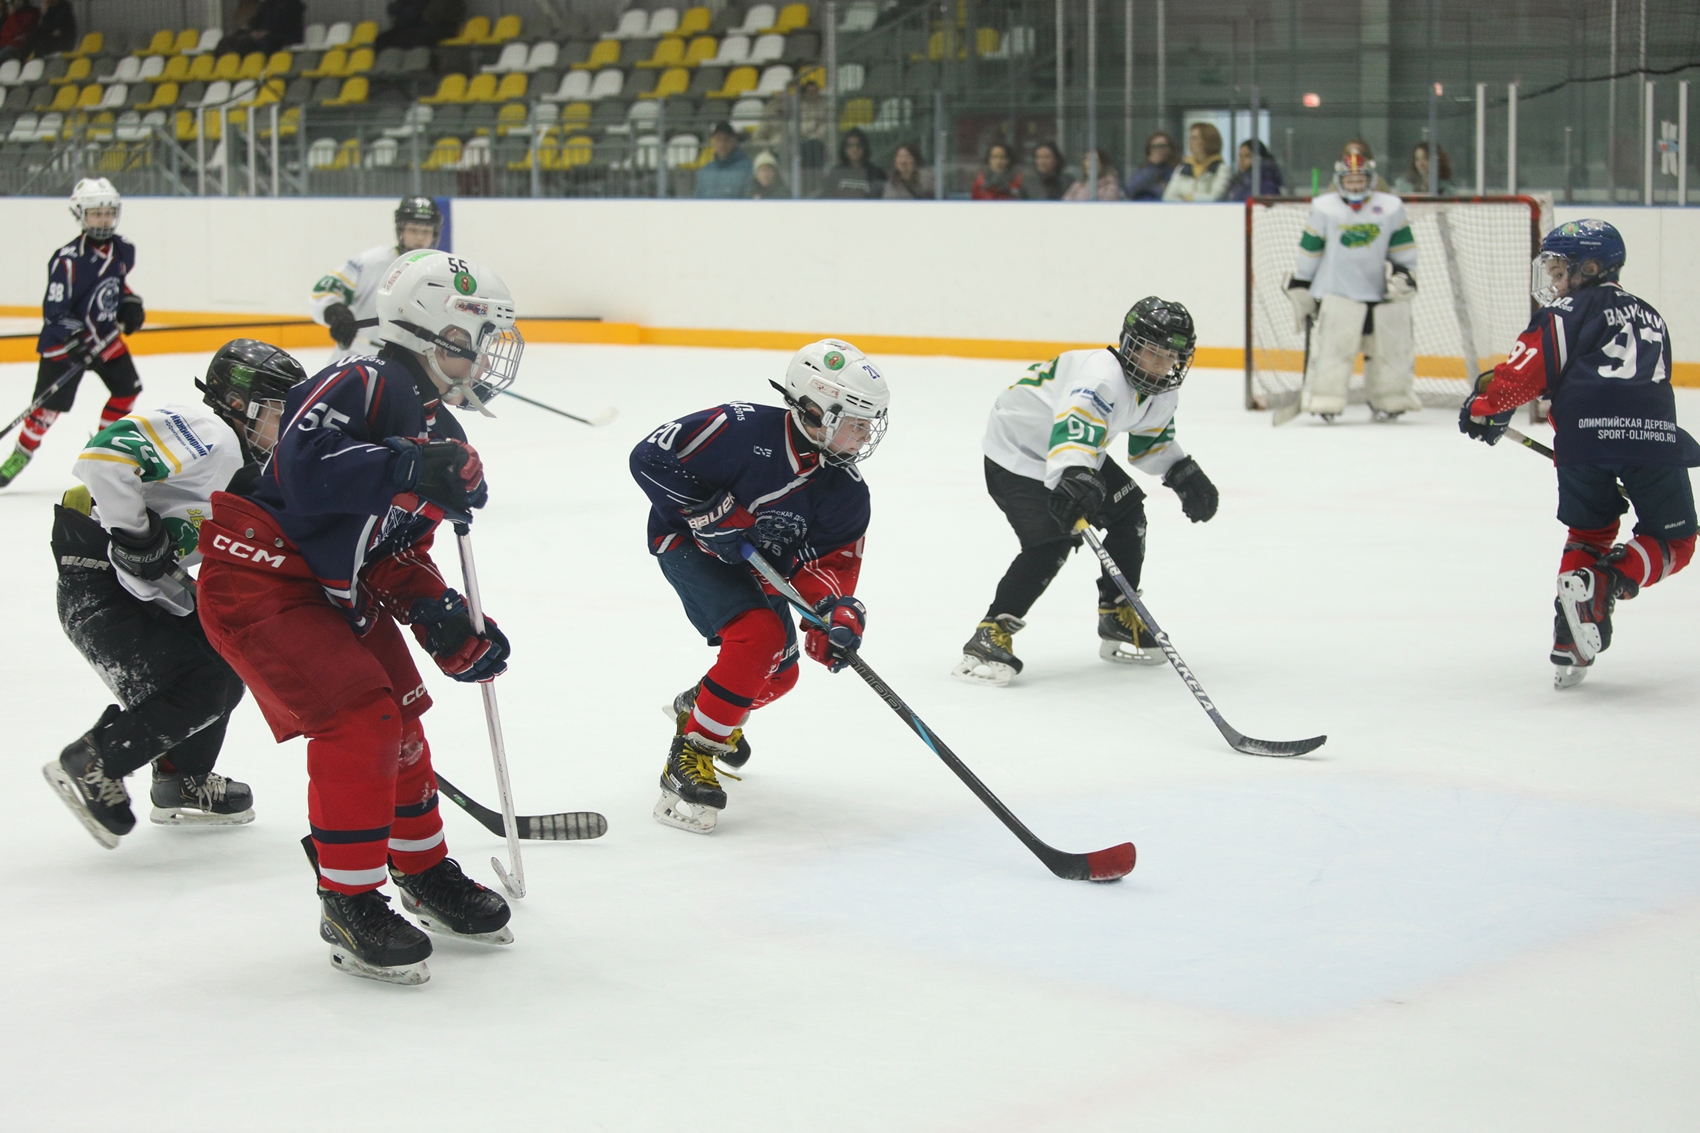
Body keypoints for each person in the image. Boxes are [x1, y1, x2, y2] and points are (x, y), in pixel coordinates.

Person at [195, 250, 522, 985]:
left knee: (402, 714)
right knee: (361, 715)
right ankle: (348, 897)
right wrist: (407, 465)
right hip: (259, 576)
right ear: (439, 330)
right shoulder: (364, 378)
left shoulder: (445, 432)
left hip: (332, 584)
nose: (492, 353)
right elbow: (305, 475)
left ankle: (424, 869)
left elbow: (391, 548)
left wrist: (442, 614)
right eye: (481, 333)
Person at [40, 341, 309, 849]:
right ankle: (97, 760)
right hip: (97, 578)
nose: (287, 423)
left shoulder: (248, 470)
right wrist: (135, 536)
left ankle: (180, 778)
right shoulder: (208, 432)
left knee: (225, 662)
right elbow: (104, 456)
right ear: (238, 405)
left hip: (141, 587)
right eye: (279, 409)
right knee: (203, 683)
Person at [631, 339, 890, 834]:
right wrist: (703, 511)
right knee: (759, 638)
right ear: (814, 410)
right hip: (690, 546)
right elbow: (650, 458)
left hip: (760, 564)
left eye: (868, 421)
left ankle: (701, 706)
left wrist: (834, 611)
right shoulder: (738, 427)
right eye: (855, 420)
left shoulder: (847, 492)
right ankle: (690, 755)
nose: (864, 433)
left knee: (780, 676)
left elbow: (825, 564)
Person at [1460, 219, 1698, 689]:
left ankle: (1571, 633)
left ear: (1590, 267)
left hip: (1583, 443)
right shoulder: (1651, 315)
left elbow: (1526, 373)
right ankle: (1608, 584)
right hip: (1652, 438)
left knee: (1588, 533)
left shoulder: (1564, 313)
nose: (1554, 282)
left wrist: (1485, 408)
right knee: (1676, 542)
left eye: (1559, 271)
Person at [953, 298, 1218, 685]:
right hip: (1017, 451)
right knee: (1054, 539)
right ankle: (990, 633)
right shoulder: (1101, 376)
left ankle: (1117, 615)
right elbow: (1076, 426)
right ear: (1130, 346)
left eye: (1170, 357)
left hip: (1072, 448)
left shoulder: (1161, 392)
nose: (1161, 365)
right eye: (1153, 353)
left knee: (1129, 513)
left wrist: (1181, 471)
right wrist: (1076, 475)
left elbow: (1149, 448)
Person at [0, 179, 144, 490]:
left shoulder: (123, 249)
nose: (103, 220)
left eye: (108, 213)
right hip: (64, 346)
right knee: (47, 409)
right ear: (81, 215)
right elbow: (54, 312)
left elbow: (116, 284)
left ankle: (102, 450)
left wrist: (129, 302)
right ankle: (21, 454)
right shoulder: (67, 260)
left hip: (105, 339)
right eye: (95, 214)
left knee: (127, 391)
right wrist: (75, 340)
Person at [1283, 149, 1421, 421]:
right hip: (1336, 292)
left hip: (1380, 293)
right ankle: (1325, 400)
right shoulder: (1324, 207)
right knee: (1335, 350)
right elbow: (1310, 249)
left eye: (1360, 180)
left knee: (1389, 350)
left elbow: (1403, 247)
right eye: (1350, 180)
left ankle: (1391, 398)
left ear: (1370, 180)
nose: (1355, 185)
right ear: (1340, 180)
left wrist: (1404, 273)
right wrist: (1302, 283)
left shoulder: (1390, 207)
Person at [310, 195, 441, 357]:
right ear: (401, 230)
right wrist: (335, 312)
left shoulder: (440, 273)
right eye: (413, 229)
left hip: (406, 367)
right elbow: (325, 291)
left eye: (426, 231)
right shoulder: (372, 262)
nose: (420, 237)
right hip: (353, 360)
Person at [1162, 123, 1230, 202]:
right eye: (1190, 138)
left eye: (1195, 138)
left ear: (1208, 141)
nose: (1190, 142)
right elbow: (1168, 197)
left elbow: (1215, 198)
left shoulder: (1221, 169)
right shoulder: (1183, 167)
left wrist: (1190, 198)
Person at [223, 0, 306, 56]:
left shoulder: (294, 5)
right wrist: (251, 30)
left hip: (285, 37)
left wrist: (267, 33)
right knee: (238, 42)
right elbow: (255, 22)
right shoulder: (267, 5)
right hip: (264, 36)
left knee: (265, 42)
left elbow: (288, 26)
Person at [819, 128, 885, 198]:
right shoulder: (836, 172)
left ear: (865, 148)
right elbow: (828, 197)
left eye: (858, 145)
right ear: (844, 149)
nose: (855, 149)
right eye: (850, 145)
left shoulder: (876, 173)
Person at [695, 122, 754, 199]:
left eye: (726, 140)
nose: (722, 144)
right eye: (718, 140)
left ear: (734, 141)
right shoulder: (705, 171)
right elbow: (697, 200)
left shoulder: (748, 169)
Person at [375, 0, 466, 49]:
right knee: (382, 39)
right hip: (422, 25)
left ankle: (418, 69)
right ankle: (383, 71)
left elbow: (417, 14)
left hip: (445, 27)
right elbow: (392, 9)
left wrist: (400, 11)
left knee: (416, 37)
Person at [1124, 132, 1177, 200]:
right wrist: (1153, 166)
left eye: (1162, 146)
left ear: (1170, 149)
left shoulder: (1175, 171)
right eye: (1155, 147)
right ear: (1149, 150)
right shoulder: (1142, 171)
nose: (1159, 150)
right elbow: (1130, 190)